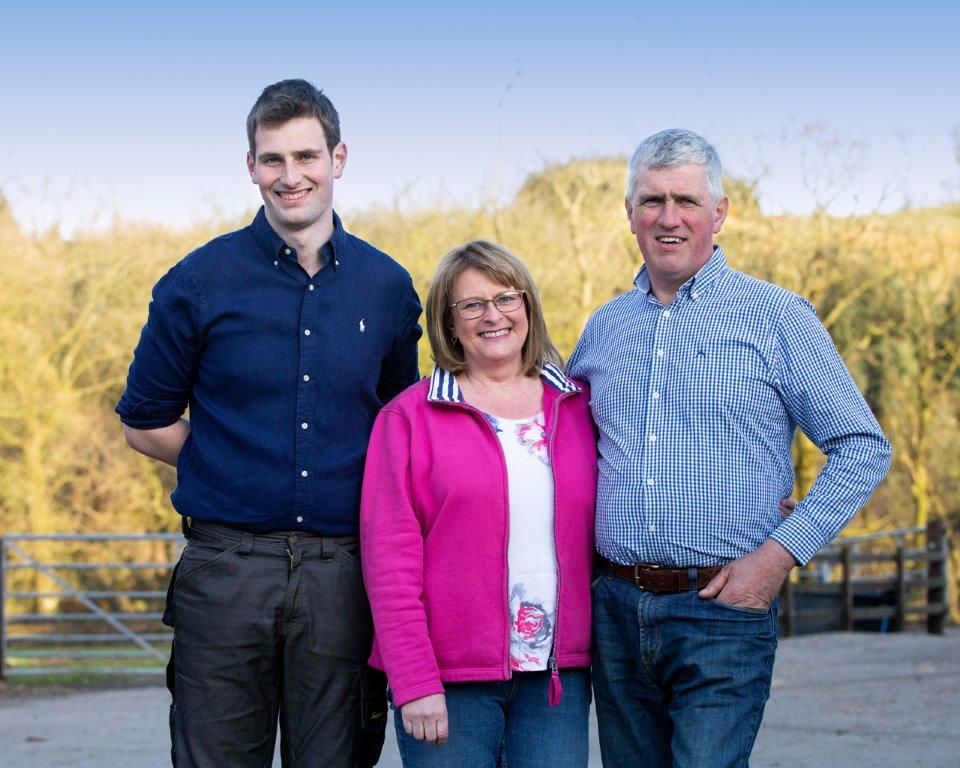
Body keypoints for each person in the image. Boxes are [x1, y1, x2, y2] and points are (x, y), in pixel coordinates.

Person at [116, 79, 422, 767]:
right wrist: (229, 467)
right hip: (226, 572)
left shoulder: (388, 288)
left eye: (306, 156)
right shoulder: (196, 283)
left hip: (343, 574)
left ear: (338, 158)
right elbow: (144, 423)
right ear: (250, 166)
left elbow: (400, 431)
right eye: (272, 159)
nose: (292, 176)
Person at [566, 128, 892, 768]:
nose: (669, 218)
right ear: (629, 214)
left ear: (719, 212)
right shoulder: (605, 328)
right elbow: (563, 444)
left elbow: (861, 447)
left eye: (685, 200)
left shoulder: (777, 317)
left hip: (723, 607)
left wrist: (779, 557)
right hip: (615, 609)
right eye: (651, 201)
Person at [360, 240, 597, 767]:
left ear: (529, 308)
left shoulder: (578, 405)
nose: (494, 316)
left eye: (508, 298)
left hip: (557, 679)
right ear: (449, 321)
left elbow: (637, 491)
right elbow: (388, 563)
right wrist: (414, 679)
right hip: (447, 683)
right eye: (472, 304)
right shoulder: (409, 419)